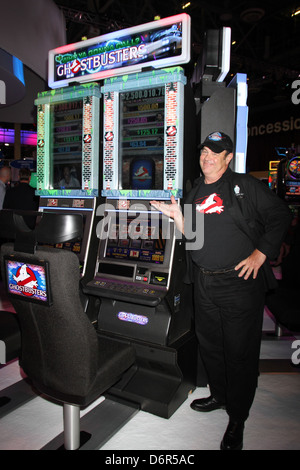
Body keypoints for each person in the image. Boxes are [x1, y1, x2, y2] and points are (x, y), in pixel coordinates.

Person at [150, 131, 292, 450]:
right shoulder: (194, 192)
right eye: (204, 151)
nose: (207, 156)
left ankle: (238, 416)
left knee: (239, 352)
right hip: (204, 280)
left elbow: (280, 215)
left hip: (239, 283)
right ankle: (219, 394)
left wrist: (261, 254)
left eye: (215, 152)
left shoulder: (245, 187)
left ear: (228, 157)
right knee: (211, 345)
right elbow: (194, 237)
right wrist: (178, 219)